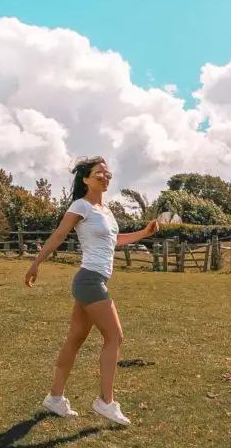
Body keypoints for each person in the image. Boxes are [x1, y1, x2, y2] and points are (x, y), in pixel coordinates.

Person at [24, 156, 159, 426]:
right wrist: (36, 263)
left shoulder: (105, 211)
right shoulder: (80, 206)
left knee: (75, 339)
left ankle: (55, 398)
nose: (105, 177)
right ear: (85, 179)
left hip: (93, 281)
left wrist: (143, 233)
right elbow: (59, 235)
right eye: (99, 173)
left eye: (107, 174)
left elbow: (114, 240)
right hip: (89, 281)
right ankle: (105, 402)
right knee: (115, 337)